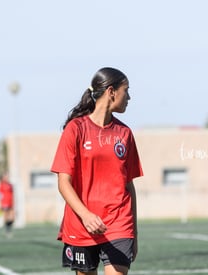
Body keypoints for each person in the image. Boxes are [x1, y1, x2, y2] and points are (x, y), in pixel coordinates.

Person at [51, 67, 143, 275]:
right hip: (81, 224)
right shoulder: (75, 129)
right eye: (126, 90)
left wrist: (134, 233)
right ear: (111, 91)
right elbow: (63, 182)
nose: (129, 97)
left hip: (119, 223)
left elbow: (129, 185)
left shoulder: (125, 133)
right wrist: (86, 215)